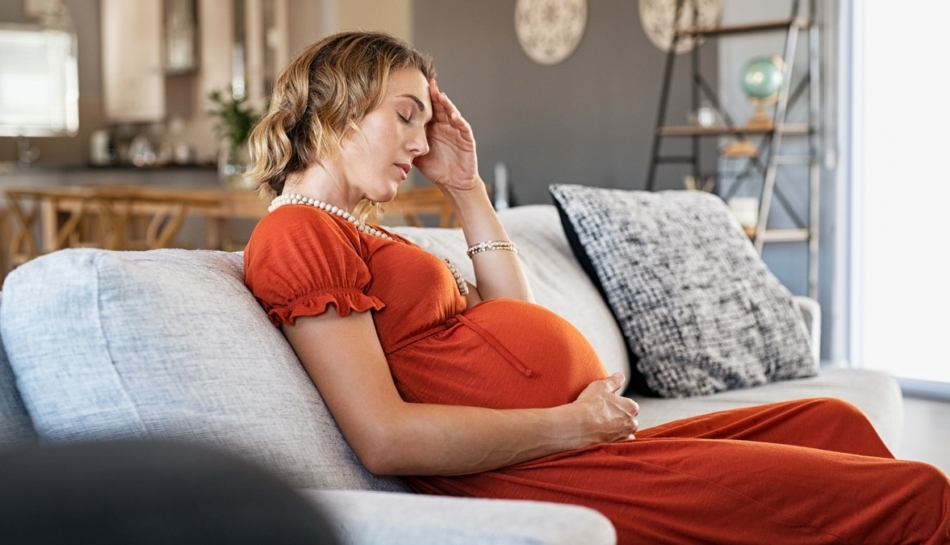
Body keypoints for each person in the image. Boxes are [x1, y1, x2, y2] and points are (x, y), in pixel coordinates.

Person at [243, 31, 950, 544]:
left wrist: (467, 187)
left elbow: (513, 316)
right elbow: (384, 438)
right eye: (405, 115)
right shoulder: (299, 233)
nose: (420, 144)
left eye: (427, 124)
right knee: (921, 498)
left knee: (835, 423)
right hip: (537, 469)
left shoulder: (364, 230)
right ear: (337, 107)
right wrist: (569, 424)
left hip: (587, 446)